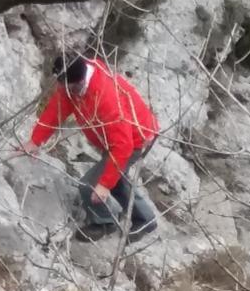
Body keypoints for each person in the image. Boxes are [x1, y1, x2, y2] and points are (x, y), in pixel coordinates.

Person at [21, 52, 159, 241]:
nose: (63, 90)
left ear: (76, 83)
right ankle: (145, 218)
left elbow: (123, 146)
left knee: (90, 185)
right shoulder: (73, 80)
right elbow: (56, 110)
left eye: (66, 87)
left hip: (135, 139)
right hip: (115, 139)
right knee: (116, 179)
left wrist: (103, 186)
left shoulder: (105, 99)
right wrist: (35, 141)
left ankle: (104, 222)